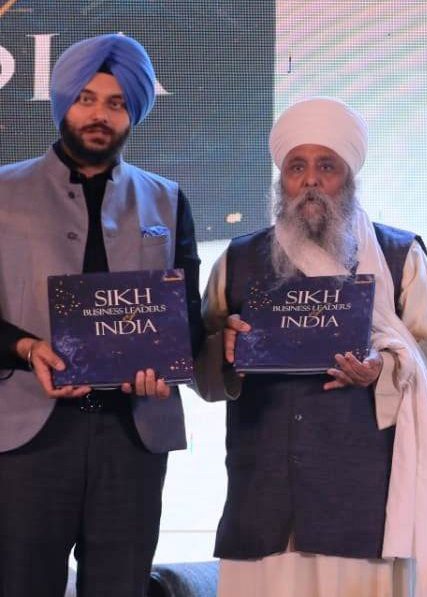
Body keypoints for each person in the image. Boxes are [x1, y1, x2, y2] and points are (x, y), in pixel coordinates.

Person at [195, 97, 427, 596]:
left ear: (349, 176)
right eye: (297, 167)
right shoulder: (237, 259)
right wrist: (224, 351)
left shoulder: (399, 255)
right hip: (263, 500)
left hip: (361, 503)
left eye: (326, 167)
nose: (311, 180)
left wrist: (382, 367)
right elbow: (202, 370)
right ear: (282, 179)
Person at [0, 33, 203, 596]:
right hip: (26, 438)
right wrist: (25, 348)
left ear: (132, 112)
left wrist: (176, 359)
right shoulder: (2, 193)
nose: (99, 115)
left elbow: (186, 314)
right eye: (87, 98)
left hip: (132, 437)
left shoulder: (166, 199)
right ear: (64, 102)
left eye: (116, 103)